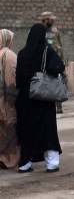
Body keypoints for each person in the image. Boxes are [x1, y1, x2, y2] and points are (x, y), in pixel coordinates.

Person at [15, 24, 65, 173]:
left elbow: (18, 76)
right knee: (47, 130)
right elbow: (58, 67)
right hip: (43, 97)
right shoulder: (47, 51)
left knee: (26, 130)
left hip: (25, 99)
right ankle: (51, 164)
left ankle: (25, 164)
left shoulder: (22, 53)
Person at [0, 29, 20, 169]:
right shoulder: (11, 55)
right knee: (10, 128)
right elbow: (14, 78)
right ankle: (10, 161)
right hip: (9, 98)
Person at [40, 12, 65, 114]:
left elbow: (60, 46)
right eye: (51, 19)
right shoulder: (39, 31)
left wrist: (61, 61)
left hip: (55, 62)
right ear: (45, 20)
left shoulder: (55, 31)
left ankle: (59, 105)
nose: (53, 21)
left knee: (58, 82)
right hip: (44, 62)